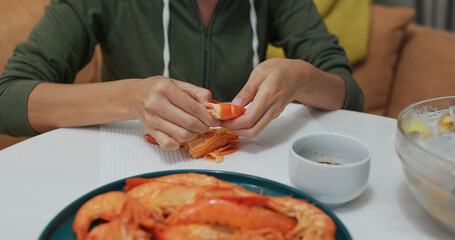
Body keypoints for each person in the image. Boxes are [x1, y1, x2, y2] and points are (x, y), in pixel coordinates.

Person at [0, 0, 364, 150]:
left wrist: (302, 77)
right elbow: (8, 99)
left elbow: (349, 94)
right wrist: (130, 97)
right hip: (127, 173)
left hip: (244, 173)